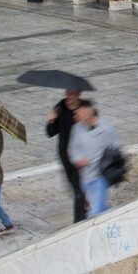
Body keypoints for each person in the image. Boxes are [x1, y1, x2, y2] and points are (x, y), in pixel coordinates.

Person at [68, 100, 120, 217]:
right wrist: (78, 159)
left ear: (88, 112)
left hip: (100, 175)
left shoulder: (106, 128)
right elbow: (73, 148)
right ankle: (114, 215)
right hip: (85, 176)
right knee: (98, 206)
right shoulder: (77, 128)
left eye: (79, 112)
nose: (76, 116)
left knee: (96, 211)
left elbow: (115, 147)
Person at [46, 89, 87, 223]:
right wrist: (52, 120)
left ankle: (79, 221)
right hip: (66, 156)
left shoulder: (85, 107)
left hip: (82, 156)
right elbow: (50, 133)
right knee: (75, 187)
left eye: (71, 93)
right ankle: (85, 205)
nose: (68, 95)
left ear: (78, 94)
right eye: (67, 92)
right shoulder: (60, 108)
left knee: (78, 190)